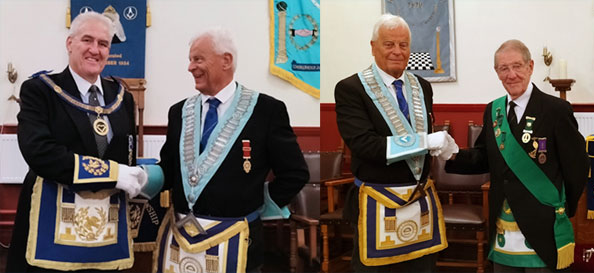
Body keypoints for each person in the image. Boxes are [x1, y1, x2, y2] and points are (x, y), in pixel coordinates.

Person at [152, 27, 308, 272]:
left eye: (198, 59)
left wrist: (257, 204)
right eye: (190, 60)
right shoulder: (179, 112)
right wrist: (137, 178)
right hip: (183, 241)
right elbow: (168, 168)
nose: (190, 67)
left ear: (226, 61)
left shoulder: (266, 110)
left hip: (239, 241)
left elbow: (295, 173)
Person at [7, 11, 147, 272]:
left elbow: (126, 158)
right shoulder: (41, 90)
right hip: (51, 226)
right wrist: (113, 174)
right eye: (87, 40)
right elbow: (40, 153)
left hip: (105, 231)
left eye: (103, 44)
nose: (95, 50)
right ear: (70, 43)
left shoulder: (122, 97)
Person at [445, 39, 590, 272]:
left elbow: (577, 166)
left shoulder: (556, 110)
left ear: (530, 67)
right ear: (497, 72)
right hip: (504, 224)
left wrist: (563, 208)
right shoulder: (493, 111)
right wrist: (452, 154)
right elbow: (484, 157)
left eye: (517, 66)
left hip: (543, 223)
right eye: (504, 68)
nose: (511, 74)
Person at [335, 14, 457, 272]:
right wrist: (425, 141)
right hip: (377, 203)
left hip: (419, 200)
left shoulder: (422, 86)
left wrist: (444, 148)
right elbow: (365, 145)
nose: (397, 52)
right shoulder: (351, 88)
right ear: (373, 46)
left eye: (403, 45)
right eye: (389, 44)